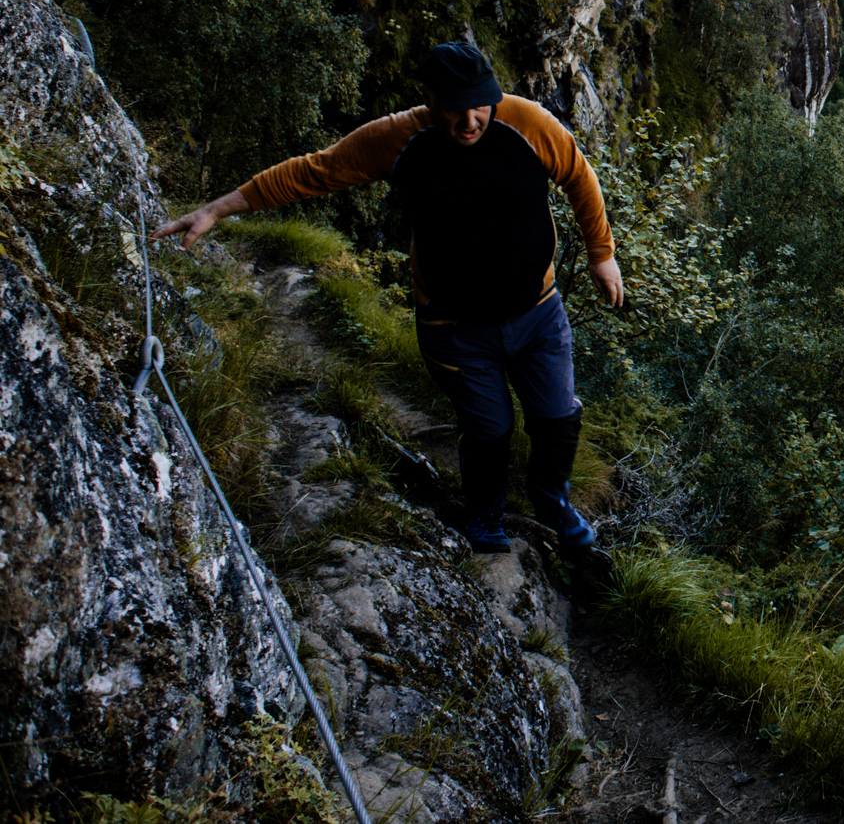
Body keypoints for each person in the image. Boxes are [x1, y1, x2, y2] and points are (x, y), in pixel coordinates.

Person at [153, 42, 625, 564]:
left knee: (557, 417)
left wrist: (602, 254)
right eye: (454, 107)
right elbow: (315, 171)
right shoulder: (398, 138)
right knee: (490, 430)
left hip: (538, 312)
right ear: (427, 98)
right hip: (456, 327)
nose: (470, 120)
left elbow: (580, 176)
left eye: (480, 104)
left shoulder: (527, 122)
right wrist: (217, 210)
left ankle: (552, 499)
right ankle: (485, 512)